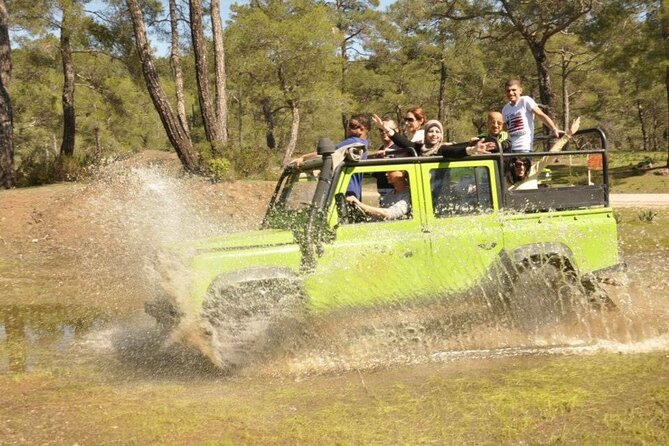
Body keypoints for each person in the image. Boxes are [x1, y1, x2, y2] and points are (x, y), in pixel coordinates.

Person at [292, 114, 370, 199]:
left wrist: (303, 157)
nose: (348, 128)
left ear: (361, 129)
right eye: (348, 125)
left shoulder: (354, 142)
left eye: (352, 126)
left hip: (342, 192)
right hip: (351, 192)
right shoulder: (364, 145)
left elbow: (326, 153)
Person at [372, 114, 491, 158]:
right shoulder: (420, 148)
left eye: (437, 132)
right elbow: (403, 142)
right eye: (431, 131)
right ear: (425, 133)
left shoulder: (442, 148)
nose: (434, 135)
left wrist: (472, 149)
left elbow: (454, 150)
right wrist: (385, 128)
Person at [502, 79, 560, 153]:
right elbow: (504, 129)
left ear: (520, 90)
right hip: (509, 148)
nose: (511, 93)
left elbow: (541, 115)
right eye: (508, 91)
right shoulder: (505, 109)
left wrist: (554, 129)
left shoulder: (525, 101)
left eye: (514, 90)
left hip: (524, 147)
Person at [345, 170, 411, 221]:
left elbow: (387, 214)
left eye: (391, 171)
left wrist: (359, 204)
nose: (386, 174)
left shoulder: (408, 195)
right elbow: (379, 214)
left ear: (403, 173)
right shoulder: (389, 195)